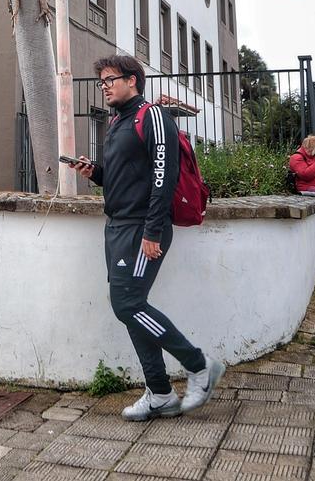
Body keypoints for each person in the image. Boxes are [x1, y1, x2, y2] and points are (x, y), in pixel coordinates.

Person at [67, 55, 224, 421]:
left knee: (127, 304)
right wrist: (96, 173)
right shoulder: (119, 121)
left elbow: (162, 176)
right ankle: (160, 393)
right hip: (118, 226)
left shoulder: (152, 116)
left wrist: (153, 231)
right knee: (131, 309)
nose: (104, 86)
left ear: (133, 80)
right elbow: (126, 178)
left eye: (110, 79)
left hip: (142, 228)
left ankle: (199, 364)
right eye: (101, 81)